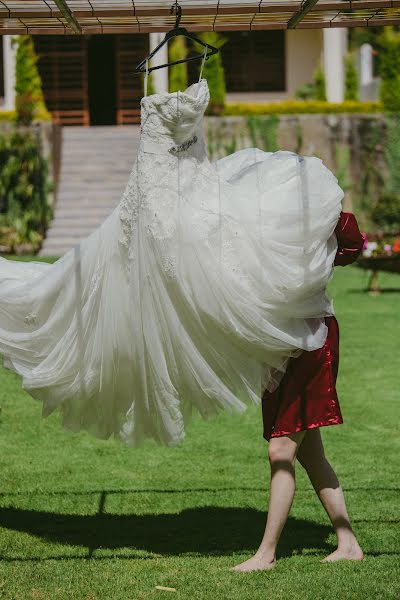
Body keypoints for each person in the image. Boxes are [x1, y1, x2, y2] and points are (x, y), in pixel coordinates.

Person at [232, 212, 365, 572]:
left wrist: (328, 212)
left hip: (312, 341)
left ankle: (266, 554)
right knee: (310, 454)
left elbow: (353, 244)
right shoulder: (263, 221)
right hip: (280, 345)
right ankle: (348, 543)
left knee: (281, 449)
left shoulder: (319, 216)